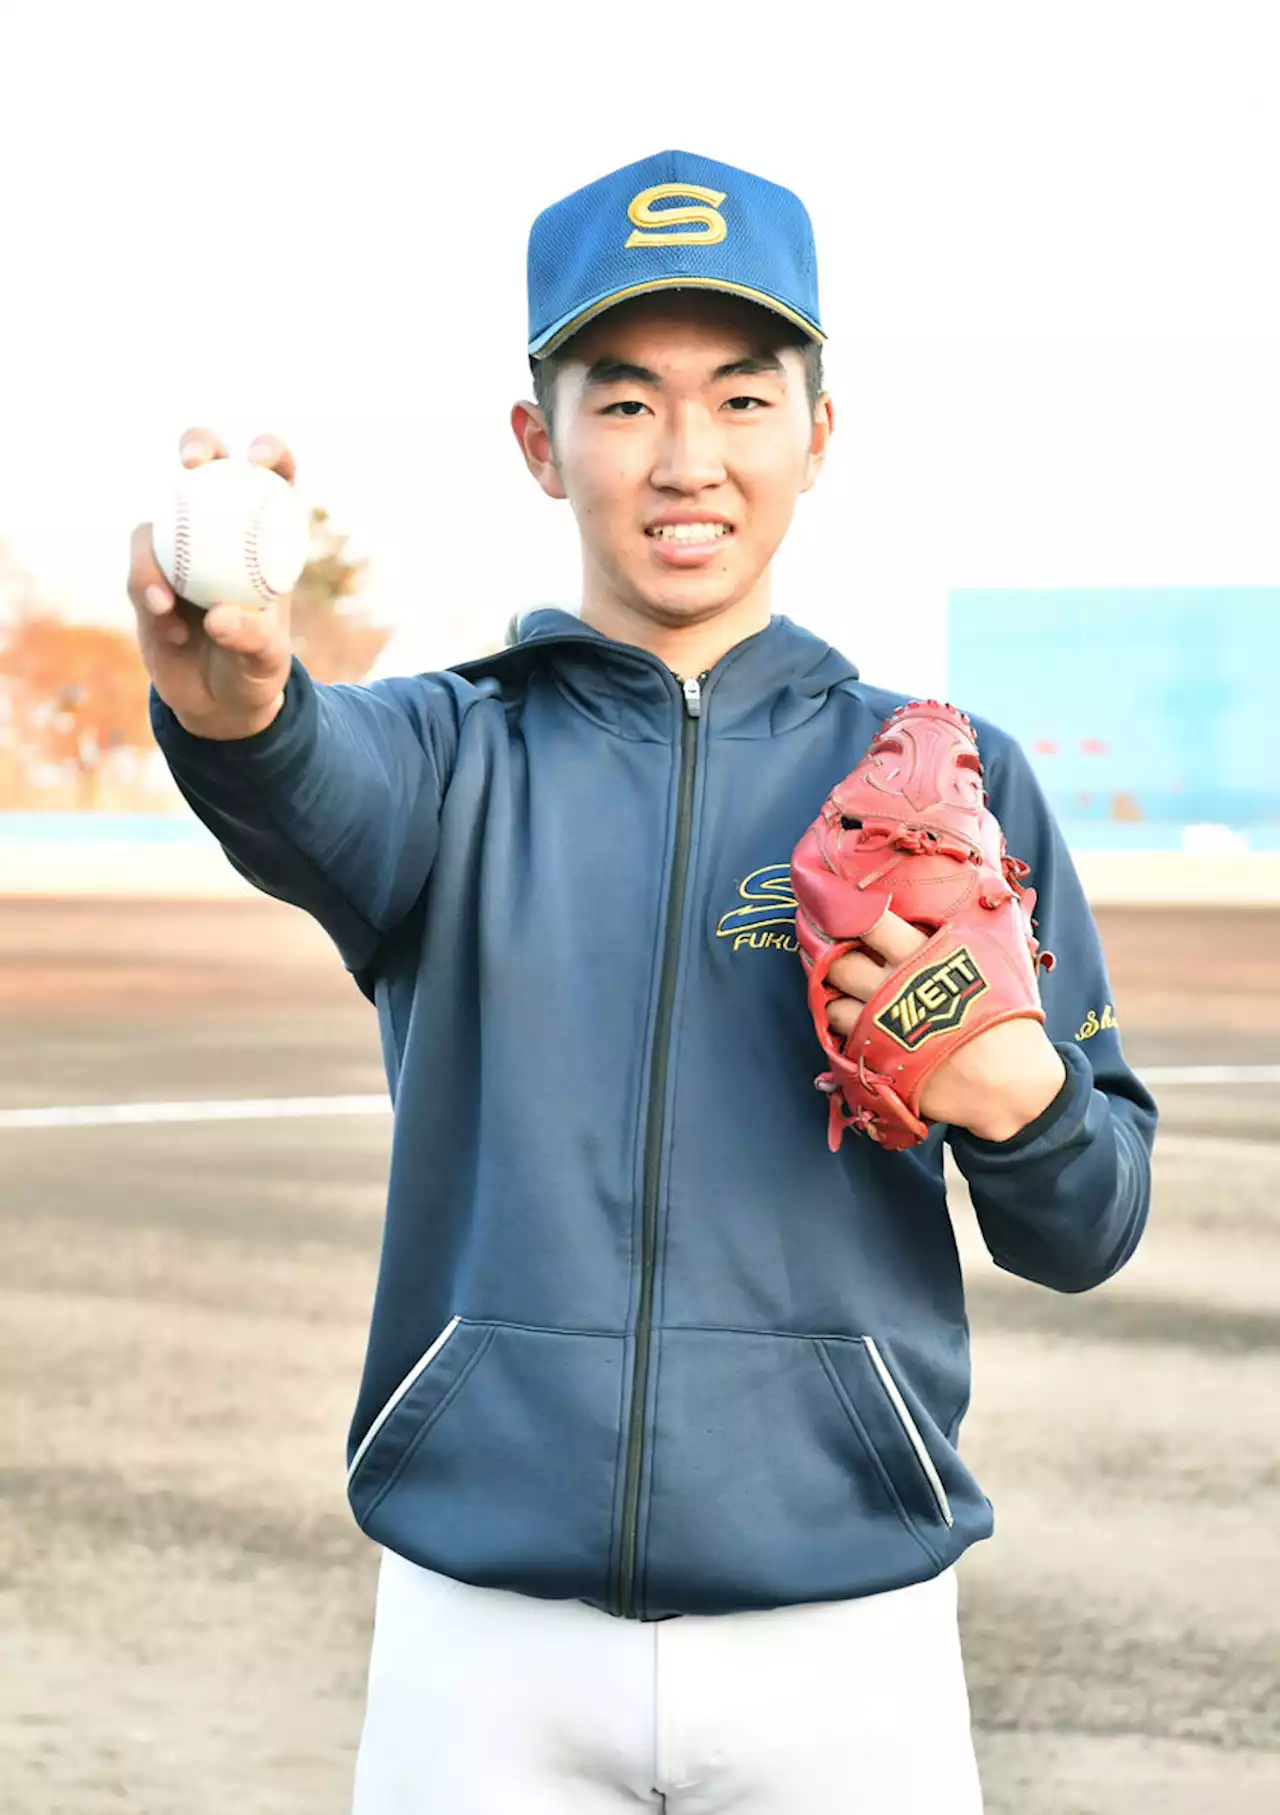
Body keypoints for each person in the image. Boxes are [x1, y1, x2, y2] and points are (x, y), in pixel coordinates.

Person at [129, 150, 1157, 1813]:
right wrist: (233, 696)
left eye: (743, 398)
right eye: (625, 403)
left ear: (819, 435)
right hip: (482, 1654)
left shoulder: (949, 786)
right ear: (539, 441)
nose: (688, 460)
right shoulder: (448, 762)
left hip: (850, 1642)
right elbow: (288, 767)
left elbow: (1092, 1218)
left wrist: (1022, 1101)